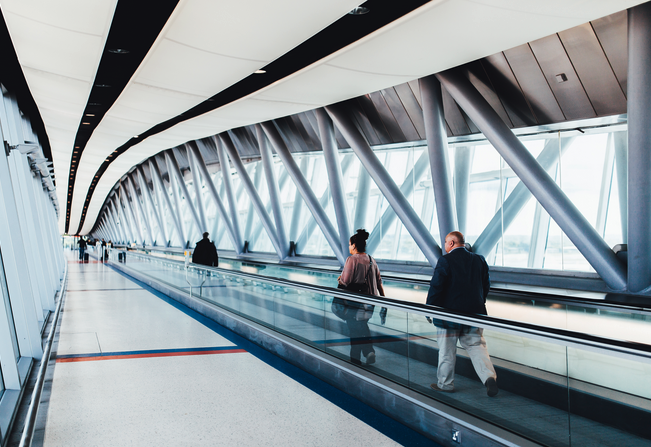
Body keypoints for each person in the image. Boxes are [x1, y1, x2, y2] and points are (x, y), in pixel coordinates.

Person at [426, 231, 498, 397]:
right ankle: (489, 378)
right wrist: (479, 302)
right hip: (474, 314)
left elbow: (437, 286)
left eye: (445, 242)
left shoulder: (446, 260)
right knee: (477, 346)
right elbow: (485, 285)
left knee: (447, 351)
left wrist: (429, 307)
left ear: (451, 243)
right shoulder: (479, 259)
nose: (444, 246)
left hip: (449, 315)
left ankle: (445, 384)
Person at [337, 229, 387, 366]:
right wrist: (383, 300)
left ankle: (356, 358)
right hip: (370, 302)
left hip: (355, 302)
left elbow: (345, 282)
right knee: (361, 325)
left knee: (354, 328)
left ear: (354, 245)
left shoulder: (351, 260)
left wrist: (339, 280)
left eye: (349, 244)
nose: (348, 247)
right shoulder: (372, 260)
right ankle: (368, 351)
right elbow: (379, 281)